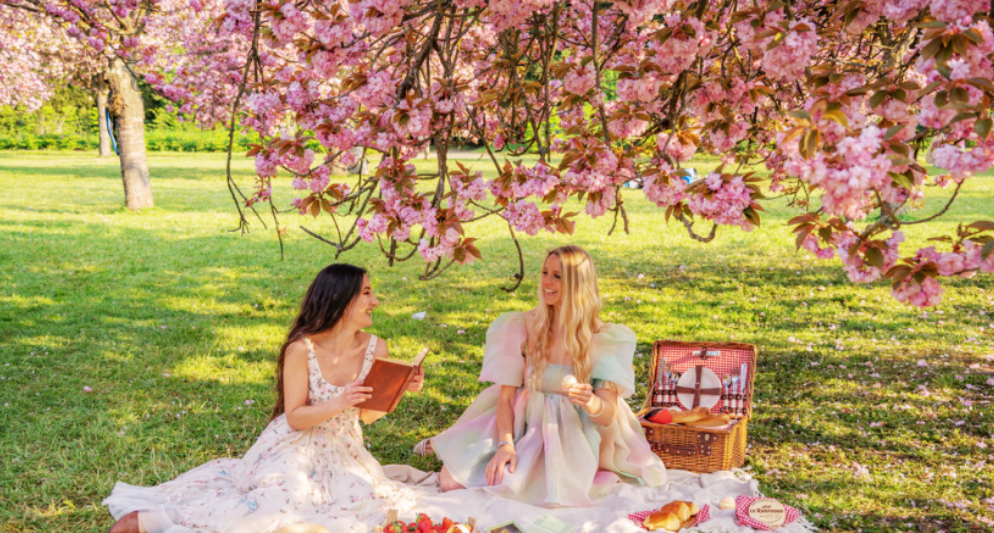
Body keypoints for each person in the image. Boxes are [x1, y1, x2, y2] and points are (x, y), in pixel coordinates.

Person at [104, 264, 423, 532]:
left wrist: (397, 390)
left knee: (362, 508)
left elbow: (366, 416)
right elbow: (295, 417)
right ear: (340, 299)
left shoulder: (376, 348)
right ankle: (156, 519)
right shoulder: (302, 349)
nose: (376, 301)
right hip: (294, 447)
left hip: (345, 450)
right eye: (366, 293)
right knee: (275, 505)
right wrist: (338, 402)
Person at [425, 245, 667, 507]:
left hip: (572, 436)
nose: (546, 282)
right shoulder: (524, 326)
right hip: (522, 425)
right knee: (451, 481)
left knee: (549, 496)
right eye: (544, 272)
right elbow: (505, 398)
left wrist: (590, 401)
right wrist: (506, 444)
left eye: (557, 276)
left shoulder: (602, 337)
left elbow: (608, 415)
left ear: (578, 284)